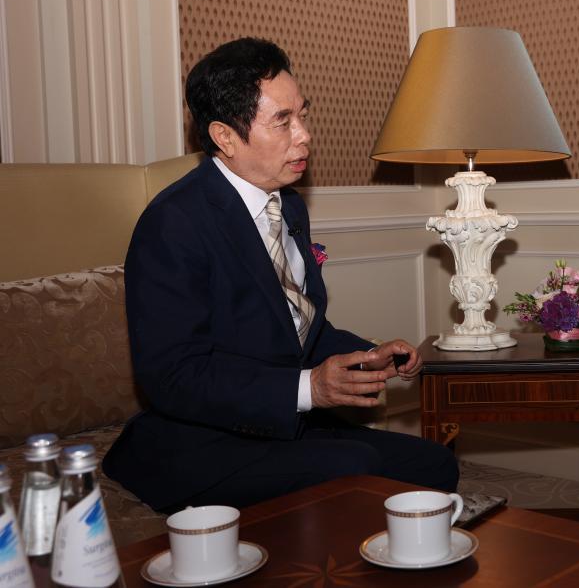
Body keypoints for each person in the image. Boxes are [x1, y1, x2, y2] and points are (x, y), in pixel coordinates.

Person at [103, 38, 458, 512]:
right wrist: (309, 388)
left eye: (302, 115)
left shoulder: (287, 205)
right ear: (225, 136)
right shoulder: (174, 223)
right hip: (201, 445)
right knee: (356, 468)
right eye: (283, 121)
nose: (304, 135)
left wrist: (367, 356)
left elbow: (294, 325)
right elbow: (174, 377)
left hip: (280, 427)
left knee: (435, 464)